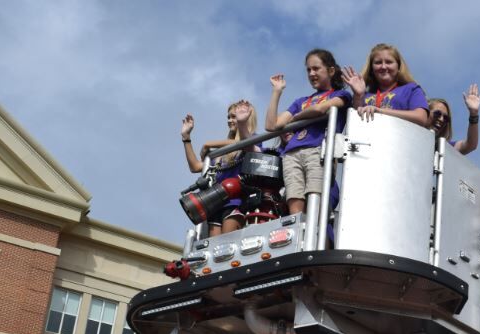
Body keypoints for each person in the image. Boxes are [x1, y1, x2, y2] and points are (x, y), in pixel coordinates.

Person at [265, 49, 357, 216]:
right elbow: (272, 125)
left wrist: (294, 119)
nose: (311, 73)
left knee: (315, 202)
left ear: (330, 70)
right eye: (308, 70)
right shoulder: (301, 101)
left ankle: (313, 239)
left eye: (316, 68)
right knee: (294, 202)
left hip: (318, 151)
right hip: (291, 153)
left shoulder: (341, 94)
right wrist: (277, 91)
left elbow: (320, 109)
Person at [180, 102, 260, 235]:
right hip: (215, 204)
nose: (230, 121)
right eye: (228, 117)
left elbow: (245, 143)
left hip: (236, 203)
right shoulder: (221, 153)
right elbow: (195, 167)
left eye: (234, 117)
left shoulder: (254, 139)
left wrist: (208, 144)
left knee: (226, 246)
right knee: (213, 249)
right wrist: (186, 138)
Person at [346, 44, 430, 127]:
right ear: (371, 69)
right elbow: (354, 123)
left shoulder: (411, 89)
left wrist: (380, 111)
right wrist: (358, 95)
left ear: (399, 67)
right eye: (378, 63)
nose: (383, 66)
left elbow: (421, 118)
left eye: (389, 62)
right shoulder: (364, 95)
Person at [428, 84, 480, 155]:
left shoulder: (443, 147)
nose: (441, 119)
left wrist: (474, 114)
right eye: (437, 114)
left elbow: (470, 145)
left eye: (446, 118)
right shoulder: (409, 130)